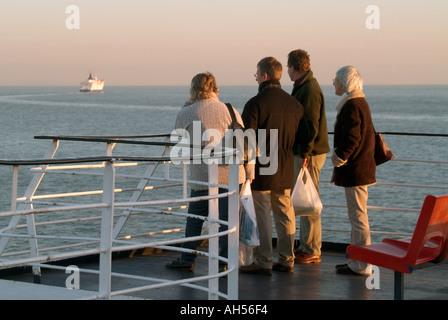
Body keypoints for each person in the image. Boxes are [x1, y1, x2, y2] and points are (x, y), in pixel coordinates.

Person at [166, 72, 254, 271]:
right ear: (215, 88)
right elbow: (245, 142)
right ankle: (223, 262)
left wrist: (185, 106)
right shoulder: (229, 110)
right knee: (226, 220)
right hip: (231, 174)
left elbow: (178, 137)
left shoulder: (187, 112)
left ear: (194, 89)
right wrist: (249, 172)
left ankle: (187, 258)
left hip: (202, 176)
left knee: (195, 218)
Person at [239, 57, 306, 275]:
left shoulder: (255, 103)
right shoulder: (294, 104)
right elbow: (302, 137)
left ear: (265, 76)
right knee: (285, 214)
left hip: (263, 167)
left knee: (262, 214)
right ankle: (287, 259)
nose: (256, 77)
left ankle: (264, 260)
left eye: (257, 74)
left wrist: (246, 167)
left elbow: (246, 139)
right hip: (285, 166)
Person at [331, 66, 376, 276]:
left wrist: (339, 157)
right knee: (357, 217)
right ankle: (356, 260)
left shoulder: (351, 106)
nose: (333, 83)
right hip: (362, 169)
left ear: (345, 83)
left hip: (355, 171)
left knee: (358, 218)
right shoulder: (360, 103)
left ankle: (362, 264)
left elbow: (352, 138)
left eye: (336, 80)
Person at [287, 49, 330, 264]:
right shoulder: (306, 87)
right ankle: (308, 245)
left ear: (293, 68)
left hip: (309, 153)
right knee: (305, 198)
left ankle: (312, 248)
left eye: (288, 67)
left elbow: (310, 125)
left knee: (309, 199)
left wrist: (304, 153)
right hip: (309, 151)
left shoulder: (309, 89)